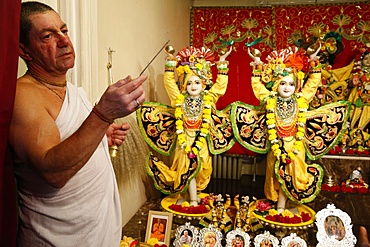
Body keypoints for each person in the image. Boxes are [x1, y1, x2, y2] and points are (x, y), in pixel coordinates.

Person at [9, 2, 146, 246]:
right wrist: (103, 115)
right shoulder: (23, 96)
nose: (64, 41)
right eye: (48, 36)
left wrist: (101, 136)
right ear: (25, 50)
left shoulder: (73, 92)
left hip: (99, 235)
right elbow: (53, 172)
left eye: (64, 30)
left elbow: (71, 140)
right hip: (54, 239)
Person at [137, 46, 232, 206]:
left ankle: (193, 195)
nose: (193, 86)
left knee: (203, 168)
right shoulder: (179, 99)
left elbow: (220, 87)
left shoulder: (209, 98)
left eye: (197, 82)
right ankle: (192, 199)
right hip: (183, 141)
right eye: (189, 83)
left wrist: (222, 63)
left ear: (203, 84)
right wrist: (170, 64)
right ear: (183, 85)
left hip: (201, 141)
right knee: (184, 169)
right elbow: (169, 84)